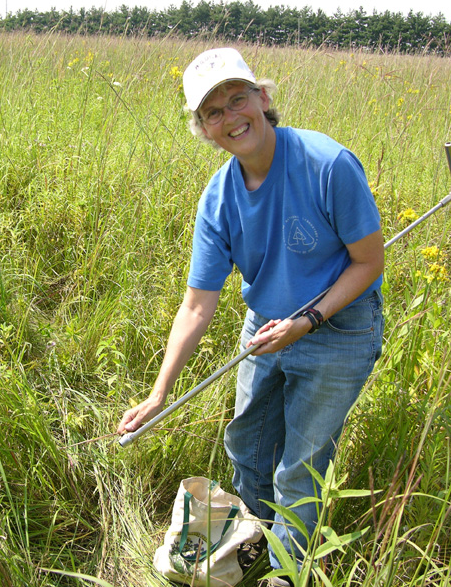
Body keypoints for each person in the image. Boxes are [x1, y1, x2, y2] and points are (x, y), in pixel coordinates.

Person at [117, 47, 385, 584]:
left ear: (263, 98)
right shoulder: (217, 199)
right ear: (204, 129)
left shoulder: (327, 164)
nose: (230, 117)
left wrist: (305, 322)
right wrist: (159, 392)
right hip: (266, 327)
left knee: (301, 466)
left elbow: (368, 263)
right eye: (213, 112)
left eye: (238, 99)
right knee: (246, 443)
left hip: (339, 326)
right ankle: (260, 534)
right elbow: (197, 304)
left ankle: (287, 571)